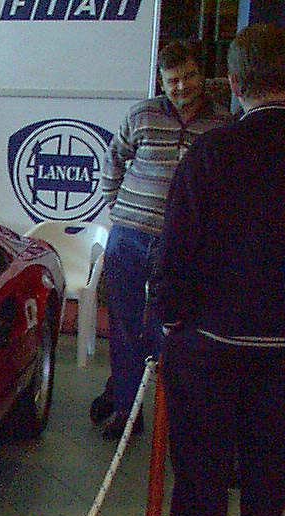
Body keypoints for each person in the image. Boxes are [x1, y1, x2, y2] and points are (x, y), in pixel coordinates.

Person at [142, 23, 285, 516]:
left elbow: (177, 256)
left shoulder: (214, 153)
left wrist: (171, 322)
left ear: (235, 82)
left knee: (200, 478)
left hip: (211, 346)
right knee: (269, 482)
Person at [93, 40, 230, 439]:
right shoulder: (141, 115)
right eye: (173, 80)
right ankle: (125, 410)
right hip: (130, 238)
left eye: (188, 77)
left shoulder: (221, 125)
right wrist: (116, 206)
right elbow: (113, 159)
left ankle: (169, 417)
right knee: (123, 324)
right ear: (161, 80)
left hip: (183, 248)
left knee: (169, 331)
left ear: (200, 75)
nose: (182, 87)